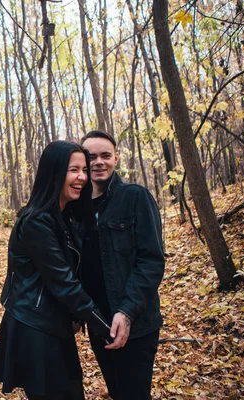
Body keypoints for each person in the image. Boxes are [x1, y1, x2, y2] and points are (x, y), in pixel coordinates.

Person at [0, 140, 112, 400]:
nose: (82, 177)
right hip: (35, 328)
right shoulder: (37, 222)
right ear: (54, 173)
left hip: (54, 325)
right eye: (73, 170)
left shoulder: (64, 217)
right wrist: (103, 325)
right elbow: (63, 281)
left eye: (84, 170)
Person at [80, 129, 165, 400]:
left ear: (116, 159)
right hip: (99, 324)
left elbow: (152, 261)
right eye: (91, 157)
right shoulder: (75, 209)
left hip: (135, 324)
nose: (98, 162)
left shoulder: (135, 197)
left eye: (105, 155)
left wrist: (126, 312)